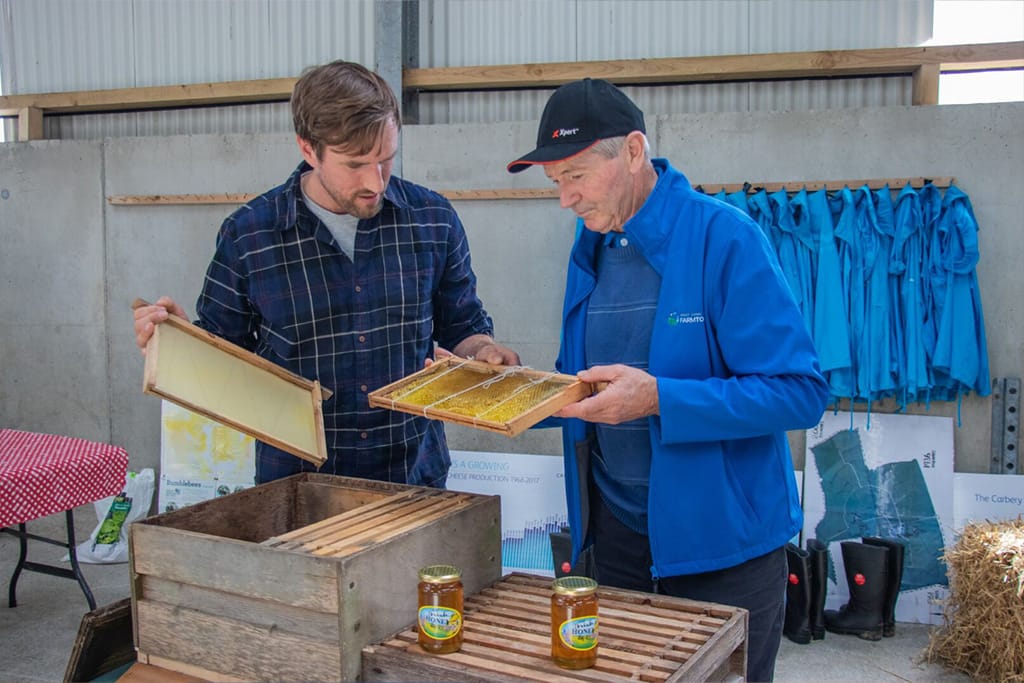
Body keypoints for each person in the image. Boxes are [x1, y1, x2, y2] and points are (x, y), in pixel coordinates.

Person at [507, 78, 829, 682]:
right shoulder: (592, 247)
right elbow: (590, 387)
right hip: (618, 541)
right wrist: (503, 390)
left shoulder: (725, 238)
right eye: (556, 183)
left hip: (721, 549)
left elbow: (800, 391)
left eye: (575, 175)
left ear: (632, 151)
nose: (565, 200)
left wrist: (660, 398)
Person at [134, 60, 518, 487]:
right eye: (355, 164)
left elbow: (461, 324)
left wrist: (483, 352)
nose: (376, 181)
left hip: (412, 475)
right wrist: (180, 344)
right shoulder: (250, 234)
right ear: (307, 148)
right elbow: (225, 356)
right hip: (300, 484)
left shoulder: (433, 219)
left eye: (386, 159)